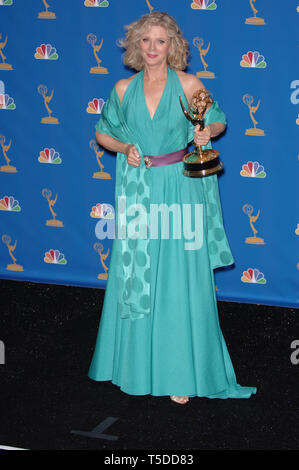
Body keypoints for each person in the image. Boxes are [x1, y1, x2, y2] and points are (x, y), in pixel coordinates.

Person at [88, 11, 256, 404]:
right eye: (145, 40)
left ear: (173, 46)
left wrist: (205, 130)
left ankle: (181, 372)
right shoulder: (123, 89)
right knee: (138, 273)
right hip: (139, 191)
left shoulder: (189, 84)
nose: (152, 48)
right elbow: (102, 132)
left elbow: (216, 122)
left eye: (160, 41)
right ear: (135, 45)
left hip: (180, 190)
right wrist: (126, 147)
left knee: (179, 279)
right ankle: (132, 365)